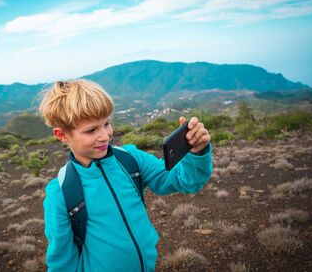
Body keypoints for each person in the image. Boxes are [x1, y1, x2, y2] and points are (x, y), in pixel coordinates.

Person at [39, 79, 213, 272]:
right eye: (91, 130)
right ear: (62, 135)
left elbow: (186, 181)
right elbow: (62, 262)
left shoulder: (131, 159)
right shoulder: (61, 193)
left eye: (106, 123)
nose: (105, 135)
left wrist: (195, 152)